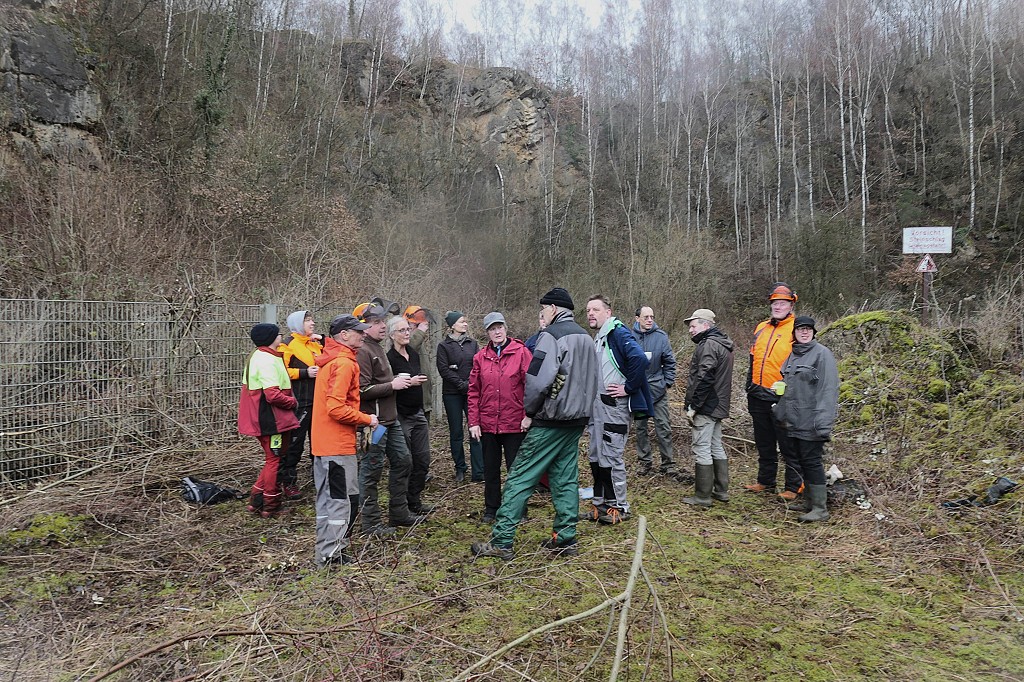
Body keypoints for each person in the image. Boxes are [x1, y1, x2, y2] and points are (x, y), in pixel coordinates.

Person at [470, 287, 599, 559]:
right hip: (577, 420)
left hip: (551, 420)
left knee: (519, 476)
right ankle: (565, 538)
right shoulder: (586, 337)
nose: (541, 315)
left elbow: (537, 381)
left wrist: (529, 411)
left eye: (542, 311)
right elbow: (592, 379)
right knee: (565, 478)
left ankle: (502, 540)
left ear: (552, 309)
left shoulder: (550, 337)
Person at [353, 302, 427, 537]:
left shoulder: (375, 348)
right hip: (375, 423)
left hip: (390, 419)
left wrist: (393, 382)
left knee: (404, 461)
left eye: (383, 322)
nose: (382, 326)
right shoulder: (363, 351)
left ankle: (399, 512)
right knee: (371, 471)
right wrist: (392, 385)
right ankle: (371, 524)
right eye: (377, 323)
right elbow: (362, 390)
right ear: (364, 327)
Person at [310, 314, 377, 566]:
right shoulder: (344, 363)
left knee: (327, 501)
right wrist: (366, 419)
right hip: (337, 447)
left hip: (323, 445)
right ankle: (331, 557)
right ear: (344, 335)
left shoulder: (330, 360)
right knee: (341, 501)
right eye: (358, 331)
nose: (363, 335)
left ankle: (327, 552)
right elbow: (336, 408)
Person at [579, 295, 652, 525]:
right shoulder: (599, 337)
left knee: (612, 457)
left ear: (608, 313)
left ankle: (619, 506)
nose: (591, 313)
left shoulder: (618, 333)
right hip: (597, 408)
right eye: (588, 310)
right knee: (596, 457)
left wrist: (628, 387)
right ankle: (600, 505)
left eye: (596, 309)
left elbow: (639, 359)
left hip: (614, 408)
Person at [771, 316, 839, 522]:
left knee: (812, 462)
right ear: (794, 333)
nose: (804, 332)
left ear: (814, 332)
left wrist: (822, 423)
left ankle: (820, 509)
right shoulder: (793, 355)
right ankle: (809, 501)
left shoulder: (822, 354)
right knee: (802, 460)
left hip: (812, 419)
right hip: (794, 419)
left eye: (808, 329)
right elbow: (789, 385)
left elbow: (828, 390)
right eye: (800, 329)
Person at [467, 312, 533, 523]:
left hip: (515, 422)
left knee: (517, 469)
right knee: (491, 469)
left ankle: (518, 509)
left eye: (500, 327)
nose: (497, 332)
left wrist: (528, 415)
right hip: (488, 423)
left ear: (506, 328)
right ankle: (491, 508)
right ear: (487, 332)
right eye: (492, 329)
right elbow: (473, 391)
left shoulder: (521, 353)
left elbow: (531, 386)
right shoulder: (480, 357)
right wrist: (474, 422)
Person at [744, 282, 804, 501]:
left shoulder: (797, 328)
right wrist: (749, 384)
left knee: (788, 443)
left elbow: (804, 362)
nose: (778, 307)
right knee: (764, 441)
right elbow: (752, 358)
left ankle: (794, 485)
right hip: (757, 393)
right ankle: (766, 480)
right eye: (775, 303)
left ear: (791, 304)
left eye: (783, 303)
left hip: (782, 396)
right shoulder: (761, 327)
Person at [238, 323, 300, 519]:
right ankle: (271, 505)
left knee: (271, 460)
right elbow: (272, 395)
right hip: (270, 420)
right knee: (274, 460)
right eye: (278, 334)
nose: (281, 336)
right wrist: (292, 402)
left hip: (265, 418)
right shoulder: (266, 360)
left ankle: (256, 500)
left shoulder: (260, 355)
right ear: (270, 339)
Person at [680, 309, 735, 507]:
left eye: (693, 326)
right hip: (718, 404)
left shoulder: (709, 345)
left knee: (702, 447)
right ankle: (721, 491)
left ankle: (703, 496)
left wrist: (694, 405)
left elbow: (704, 377)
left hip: (707, 405)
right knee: (715, 445)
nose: (690, 330)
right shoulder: (722, 343)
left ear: (706, 325)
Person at [386, 314, 435, 515]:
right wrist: (406, 381)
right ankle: (402, 506)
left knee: (423, 460)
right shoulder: (388, 359)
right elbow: (387, 385)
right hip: (400, 415)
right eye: (402, 330)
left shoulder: (413, 355)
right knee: (405, 462)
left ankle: (414, 499)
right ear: (392, 335)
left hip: (418, 413)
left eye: (408, 329)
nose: (407, 333)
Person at [278, 310, 323, 498]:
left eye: (312, 320)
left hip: (319, 402)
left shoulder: (315, 344)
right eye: (307, 320)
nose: (312, 323)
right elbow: (280, 371)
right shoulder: (286, 345)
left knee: (319, 444)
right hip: (299, 402)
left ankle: (320, 478)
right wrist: (304, 373)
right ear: (297, 324)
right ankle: (288, 483)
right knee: (294, 444)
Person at [437, 311, 483, 483]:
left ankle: (479, 471)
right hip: (452, 394)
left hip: (471, 393)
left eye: (466, 321)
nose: (465, 324)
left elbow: (478, 366)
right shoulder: (444, 346)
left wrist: (470, 384)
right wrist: (461, 384)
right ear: (452, 325)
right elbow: (444, 370)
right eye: (462, 321)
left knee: (476, 430)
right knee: (456, 432)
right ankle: (460, 468)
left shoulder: (473, 343)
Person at [631, 306, 677, 476]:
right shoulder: (629, 337)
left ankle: (668, 464)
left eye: (652, 316)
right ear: (637, 319)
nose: (650, 320)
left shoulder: (661, 337)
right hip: (639, 394)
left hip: (659, 392)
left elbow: (670, 363)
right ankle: (645, 462)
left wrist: (667, 383)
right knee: (641, 428)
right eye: (646, 317)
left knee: (663, 428)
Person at [404, 305, 436, 422]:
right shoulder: (402, 340)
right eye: (416, 324)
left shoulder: (419, 341)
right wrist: (420, 331)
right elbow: (409, 348)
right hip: (410, 404)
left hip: (423, 400)